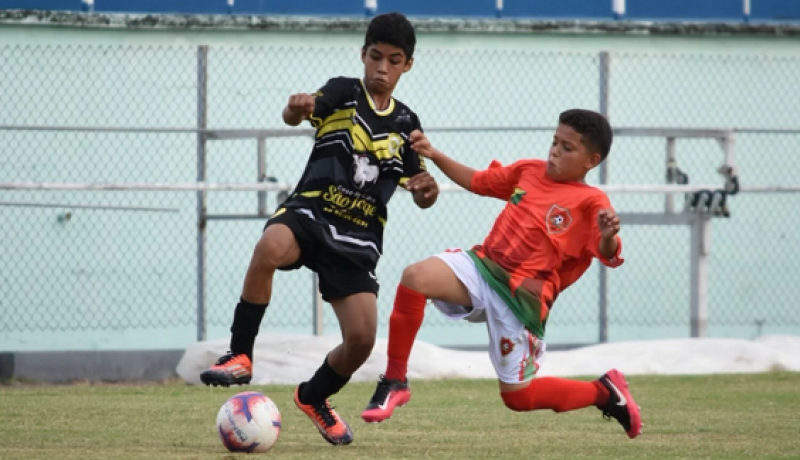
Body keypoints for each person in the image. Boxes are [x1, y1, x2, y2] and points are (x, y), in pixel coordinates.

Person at [200, 12, 439, 446]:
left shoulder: (406, 125)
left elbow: (421, 189)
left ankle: (314, 396)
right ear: (363, 55)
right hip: (311, 214)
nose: (381, 69)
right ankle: (239, 353)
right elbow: (299, 114)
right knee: (270, 245)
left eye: (393, 60)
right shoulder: (344, 92)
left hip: (357, 240)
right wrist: (296, 108)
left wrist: (426, 188)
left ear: (408, 65)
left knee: (363, 339)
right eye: (375, 57)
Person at [361, 109, 643, 439]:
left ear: (591, 160)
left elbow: (607, 252)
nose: (554, 151)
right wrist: (434, 154)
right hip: (483, 267)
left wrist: (608, 235)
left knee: (518, 398)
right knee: (415, 277)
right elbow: (478, 181)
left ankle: (604, 392)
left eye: (567, 148)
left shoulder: (591, 201)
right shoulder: (529, 171)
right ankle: (395, 380)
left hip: (521, 299)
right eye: (554, 142)